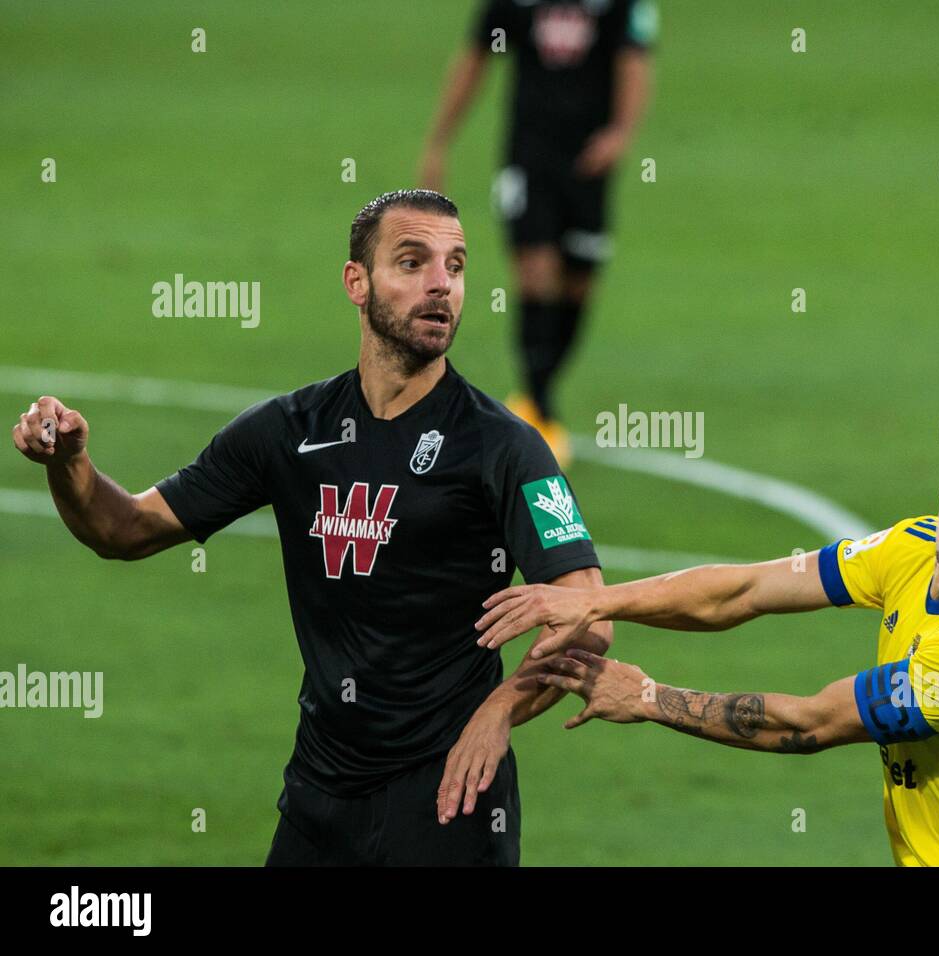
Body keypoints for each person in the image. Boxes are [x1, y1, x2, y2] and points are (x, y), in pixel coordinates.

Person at [11, 189, 611, 866]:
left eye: (457, 265)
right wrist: (70, 463)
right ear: (357, 282)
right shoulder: (290, 432)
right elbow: (124, 530)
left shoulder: (502, 447)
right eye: (412, 262)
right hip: (319, 801)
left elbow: (589, 612)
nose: (441, 283)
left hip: (452, 803)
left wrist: (500, 711)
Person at [474, 409, 939, 865]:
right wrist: (596, 600)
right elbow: (744, 590)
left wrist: (646, 697)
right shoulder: (913, 548)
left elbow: (809, 725)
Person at [421, 0, 657, 465]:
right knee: (535, 274)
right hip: (529, 157)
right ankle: (540, 410)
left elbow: (634, 59)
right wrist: (440, 141)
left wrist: (620, 134)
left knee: (578, 285)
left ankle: (538, 393)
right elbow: (475, 58)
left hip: (589, 164)